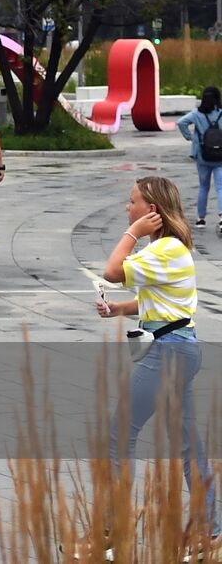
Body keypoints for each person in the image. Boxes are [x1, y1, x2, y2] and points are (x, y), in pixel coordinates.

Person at [97, 176, 216, 538]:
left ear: (151, 211)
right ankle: (209, 533)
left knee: (119, 434)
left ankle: (112, 532)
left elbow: (112, 271)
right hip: (178, 346)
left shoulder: (165, 249)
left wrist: (131, 233)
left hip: (167, 353)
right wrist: (120, 310)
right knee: (188, 443)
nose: (126, 207)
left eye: (132, 202)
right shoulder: (170, 249)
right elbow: (164, 303)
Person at [175, 85, 222, 232]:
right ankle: (221, 218)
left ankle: (201, 219)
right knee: (220, 187)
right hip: (220, 156)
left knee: (203, 187)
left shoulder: (197, 114)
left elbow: (181, 122)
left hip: (202, 156)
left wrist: (190, 137)